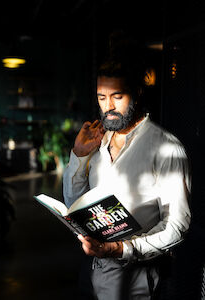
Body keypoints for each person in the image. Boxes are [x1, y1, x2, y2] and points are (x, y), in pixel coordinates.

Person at [62, 58, 191, 300]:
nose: (108, 106)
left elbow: (177, 227)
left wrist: (122, 249)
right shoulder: (97, 141)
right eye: (101, 97)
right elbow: (74, 203)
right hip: (91, 269)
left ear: (137, 92)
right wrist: (78, 155)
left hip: (135, 274)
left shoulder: (166, 148)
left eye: (117, 97)